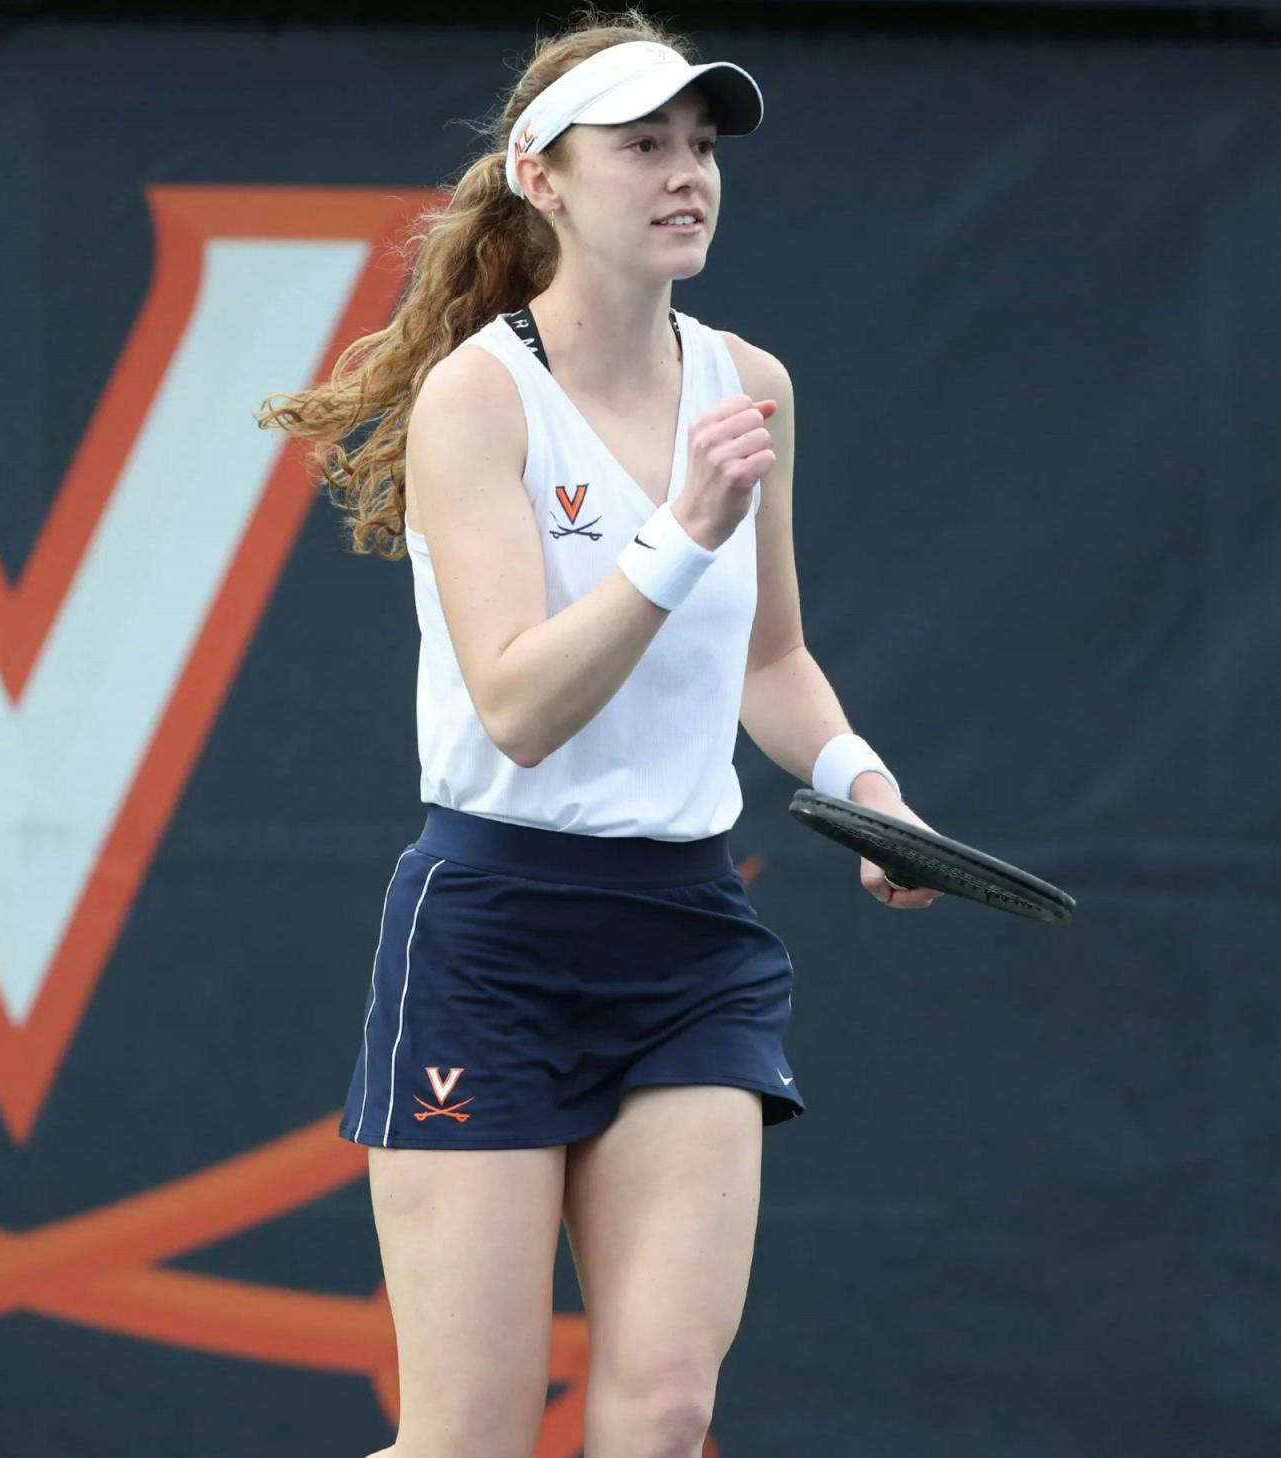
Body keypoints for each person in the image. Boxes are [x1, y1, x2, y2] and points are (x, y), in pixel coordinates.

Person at [257, 10, 943, 1456]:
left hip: (689, 943)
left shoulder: (752, 387)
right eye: (642, 145)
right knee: (470, 1438)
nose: (686, 173)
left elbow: (772, 658)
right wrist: (682, 531)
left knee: (666, 1416)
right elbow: (518, 703)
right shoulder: (477, 396)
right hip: (492, 936)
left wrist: (870, 788)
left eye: (701, 145)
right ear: (544, 177)